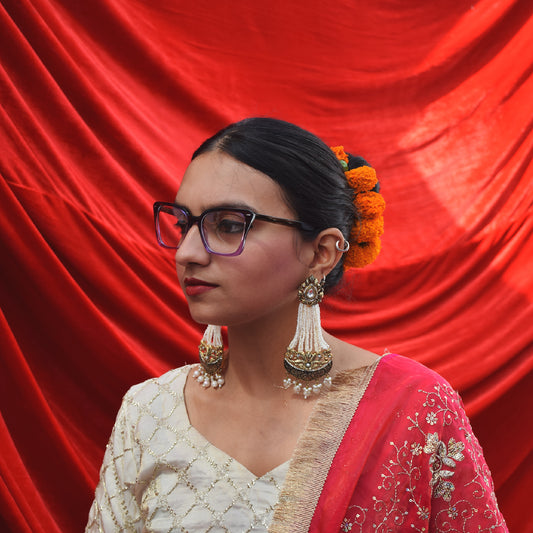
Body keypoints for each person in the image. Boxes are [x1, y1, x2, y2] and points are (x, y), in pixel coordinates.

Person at [86, 117, 507, 532]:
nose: (187, 253)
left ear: (322, 252)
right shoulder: (149, 413)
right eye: (185, 224)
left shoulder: (412, 409)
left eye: (229, 226)